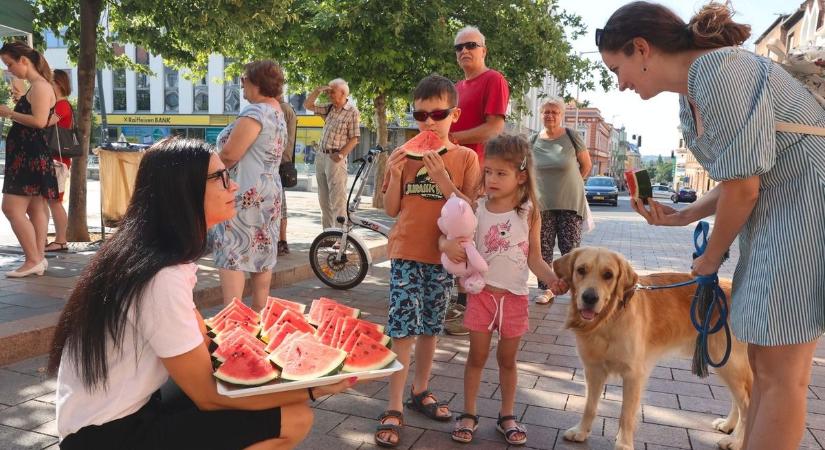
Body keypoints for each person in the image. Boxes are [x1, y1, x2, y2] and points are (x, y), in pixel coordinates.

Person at [597, 3, 825, 449]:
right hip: (780, 214)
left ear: (641, 48)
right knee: (763, 365)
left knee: (781, 375)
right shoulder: (695, 91)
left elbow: (744, 187)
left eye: (617, 68)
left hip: (805, 211)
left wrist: (709, 259)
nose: (620, 83)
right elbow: (744, 176)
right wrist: (683, 216)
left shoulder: (720, 70)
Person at [48, 138, 354, 450]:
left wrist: (282, 344)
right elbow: (208, 397)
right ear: (184, 190)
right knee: (295, 418)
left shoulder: (151, 253)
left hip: (109, 415)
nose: (233, 186)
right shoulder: (160, 278)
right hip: (108, 435)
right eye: (221, 178)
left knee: (267, 401)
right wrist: (314, 389)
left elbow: (204, 340)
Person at [374, 75, 479, 447]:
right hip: (405, 251)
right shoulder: (404, 155)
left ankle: (421, 390)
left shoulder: (467, 158)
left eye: (438, 113)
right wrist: (393, 171)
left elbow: (469, 210)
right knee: (402, 328)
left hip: (442, 258)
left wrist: (443, 178)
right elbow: (392, 209)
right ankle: (393, 405)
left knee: (431, 327)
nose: (429, 123)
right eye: (421, 115)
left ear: (455, 114)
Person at [441, 134, 565, 446]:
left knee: (508, 360)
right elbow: (454, 214)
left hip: (515, 298)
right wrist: (442, 179)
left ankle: (506, 415)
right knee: (477, 357)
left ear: (520, 175)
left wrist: (552, 280)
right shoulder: (478, 209)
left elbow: (535, 257)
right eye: (488, 171)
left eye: (501, 173)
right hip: (481, 296)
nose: (492, 178)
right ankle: (468, 413)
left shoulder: (529, 212)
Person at [446, 26, 510, 335]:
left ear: (484, 49)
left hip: (480, 174)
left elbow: (494, 128)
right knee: (458, 238)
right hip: (454, 171)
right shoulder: (457, 87)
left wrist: (452, 137)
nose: (463, 51)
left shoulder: (493, 80)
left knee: (473, 240)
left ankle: (470, 307)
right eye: (458, 48)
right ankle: (461, 302)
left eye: (470, 45)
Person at [212, 60, 287, 310]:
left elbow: (231, 154)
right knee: (262, 255)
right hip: (269, 193)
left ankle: (231, 320)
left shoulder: (255, 112)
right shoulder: (278, 112)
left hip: (244, 194)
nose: (241, 84)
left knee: (233, 254)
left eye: (243, 79)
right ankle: (259, 317)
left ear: (256, 82)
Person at [0, 42, 58, 277]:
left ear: (24, 60)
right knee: (36, 208)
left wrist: (9, 113)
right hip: (29, 154)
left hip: (28, 156)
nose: (9, 69)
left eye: (10, 64)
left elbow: (39, 121)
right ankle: (38, 259)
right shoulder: (37, 86)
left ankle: (33, 258)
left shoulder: (40, 87)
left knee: (11, 208)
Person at [530, 97, 592, 305]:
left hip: (570, 203)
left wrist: (573, 183)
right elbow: (526, 170)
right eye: (546, 112)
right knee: (543, 249)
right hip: (542, 204)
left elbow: (586, 165)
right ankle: (547, 289)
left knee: (572, 251)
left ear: (561, 115)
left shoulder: (572, 136)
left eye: (554, 112)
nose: (550, 115)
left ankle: (578, 291)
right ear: (540, 115)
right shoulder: (533, 140)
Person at [303, 79, 360, 229]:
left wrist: (341, 155)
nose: (329, 95)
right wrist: (317, 91)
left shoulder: (352, 112)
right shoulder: (329, 108)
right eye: (328, 92)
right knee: (323, 199)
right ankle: (327, 234)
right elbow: (307, 105)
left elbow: (355, 139)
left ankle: (340, 236)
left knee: (337, 199)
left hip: (335, 159)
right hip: (321, 156)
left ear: (343, 93)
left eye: (332, 92)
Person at [45, 69, 74, 252]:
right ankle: (59, 240)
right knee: (53, 201)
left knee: (55, 201)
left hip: (57, 159)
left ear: (57, 84)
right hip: (57, 158)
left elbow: (44, 123)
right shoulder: (60, 104)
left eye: (49, 82)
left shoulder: (61, 106)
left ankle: (61, 240)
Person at [277, 94, 297, 256]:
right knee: (281, 205)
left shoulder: (282, 109)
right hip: (284, 162)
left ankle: (281, 242)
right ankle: (282, 242)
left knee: (279, 206)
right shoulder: (288, 108)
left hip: (279, 163)